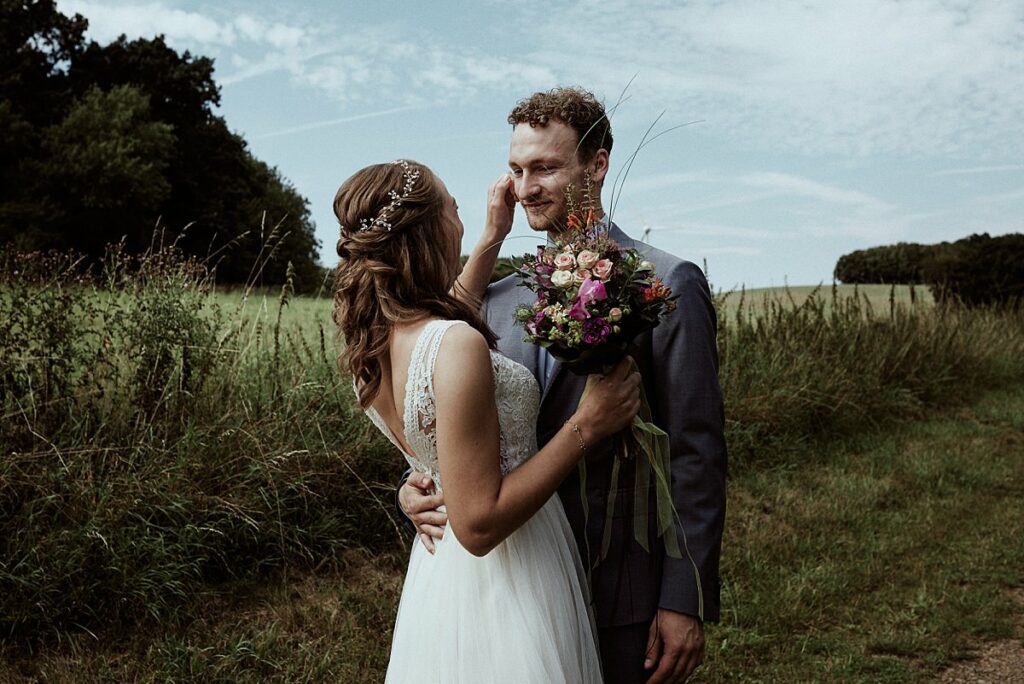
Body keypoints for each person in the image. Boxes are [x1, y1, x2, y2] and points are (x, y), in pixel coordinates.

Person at [399, 87, 728, 684]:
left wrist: (685, 596)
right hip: (518, 584)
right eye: (517, 170)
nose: (526, 188)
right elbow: (450, 416)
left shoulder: (667, 281)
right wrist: (416, 484)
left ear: (598, 164)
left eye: (546, 168)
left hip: (624, 586)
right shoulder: (495, 299)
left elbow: (696, 451)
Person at [333, 158, 644, 682]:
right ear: (432, 228)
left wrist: (492, 235)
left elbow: (438, 433)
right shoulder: (454, 345)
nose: (461, 216)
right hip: (509, 572)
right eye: (452, 206)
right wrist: (587, 425)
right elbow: (478, 525)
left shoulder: (377, 342)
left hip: (444, 578)